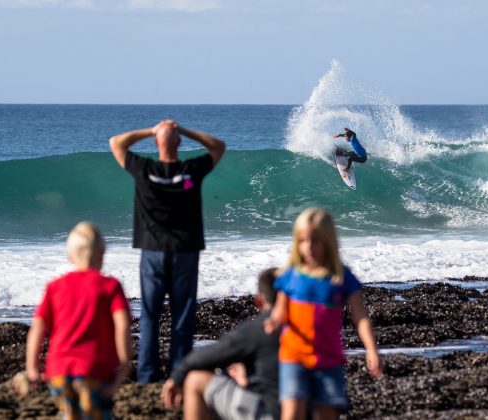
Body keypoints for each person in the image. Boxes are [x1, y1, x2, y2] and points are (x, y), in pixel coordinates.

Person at [109, 120, 226, 384]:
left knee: (150, 314)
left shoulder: (145, 169)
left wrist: (152, 130)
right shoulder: (189, 171)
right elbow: (218, 147)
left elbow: (116, 143)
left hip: (152, 252)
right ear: (179, 143)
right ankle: (178, 374)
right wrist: (183, 131)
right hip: (185, 251)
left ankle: (147, 375)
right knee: (182, 314)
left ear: (155, 143)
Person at [264, 208, 382, 420]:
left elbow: (360, 316)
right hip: (294, 357)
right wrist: (273, 322)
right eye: (302, 240)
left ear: (328, 241)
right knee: (291, 414)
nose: (308, 246)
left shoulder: (341, 277)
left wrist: (371, 349)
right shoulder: (290, 276)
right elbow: (280, 312)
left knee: (325, 415)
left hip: (328, 359)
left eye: (315, 240)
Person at [21, 222, 131, 419]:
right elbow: (122, 324)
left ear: (69, 256)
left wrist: (31, 368)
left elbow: (37, 327)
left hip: (58, 372)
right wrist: (123, 365)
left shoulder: (55, 287)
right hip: (94, 370)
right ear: (102, 254)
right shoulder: (110, 286)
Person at [161, 267, 281, 420]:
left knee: (196, 380)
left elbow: (204, 357)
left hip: (272, 413)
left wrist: (177, 376)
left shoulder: (262, 328)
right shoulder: (313, 323)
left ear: (258, 300)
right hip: (312, 408)